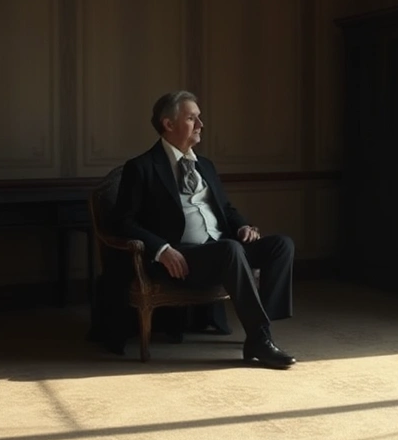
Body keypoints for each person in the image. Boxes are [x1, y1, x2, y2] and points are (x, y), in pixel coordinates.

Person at [108, 90, 297, 369]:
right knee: (230, 249)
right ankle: (260, 339)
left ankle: (260, 332)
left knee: (282, 245)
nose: (201, 125)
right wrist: (161, 250)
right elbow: (123, 221)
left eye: (199, 118)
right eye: (191, 118)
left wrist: (243, 226)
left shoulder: (205, 165)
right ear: (168, 124)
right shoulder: (142, 167)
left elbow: (226, 208)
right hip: (183, 256)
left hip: (222, 249)